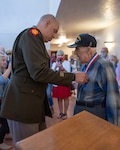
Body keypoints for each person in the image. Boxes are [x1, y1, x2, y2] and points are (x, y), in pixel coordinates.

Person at [0, 14, 88, 144]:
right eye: (54, 31)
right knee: (28, 145)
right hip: (23, 105)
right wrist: (73, 77)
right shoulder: (32, 36)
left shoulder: (37, 40)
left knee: (37, 144)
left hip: (30, 104)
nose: (54, 36)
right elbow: (39, 73)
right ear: (46, 23)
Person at [68, 33, 120, 125]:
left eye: (77, 49)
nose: (75, 53)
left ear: (88, 49)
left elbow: (112, 98)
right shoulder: (85, 65)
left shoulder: (104, 65)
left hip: (94, 114)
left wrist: (114, 127)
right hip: (82, 111)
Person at [52, 50, 71, 119]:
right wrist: (56, 66)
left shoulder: (67, 63)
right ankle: (61, 112)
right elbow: (51, 73)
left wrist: (62, 68)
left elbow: (69, 73)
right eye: (59, 56)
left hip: (64, 82)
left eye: (61, 56)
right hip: (57, 83)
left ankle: (65, 113)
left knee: (66, 97)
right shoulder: (54, 64)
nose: (60, 57)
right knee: (59, 98)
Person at [0, 54, 12, 150]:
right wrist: (9, 69)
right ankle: (0, 143)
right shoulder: (3, 73)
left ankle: (5, 135)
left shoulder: (2, 72)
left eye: (5, 60)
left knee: (6, 121)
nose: (5, 62)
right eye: (3, 60)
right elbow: (1, 81)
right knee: (5, 123)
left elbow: (8, 82)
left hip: (2, 101)